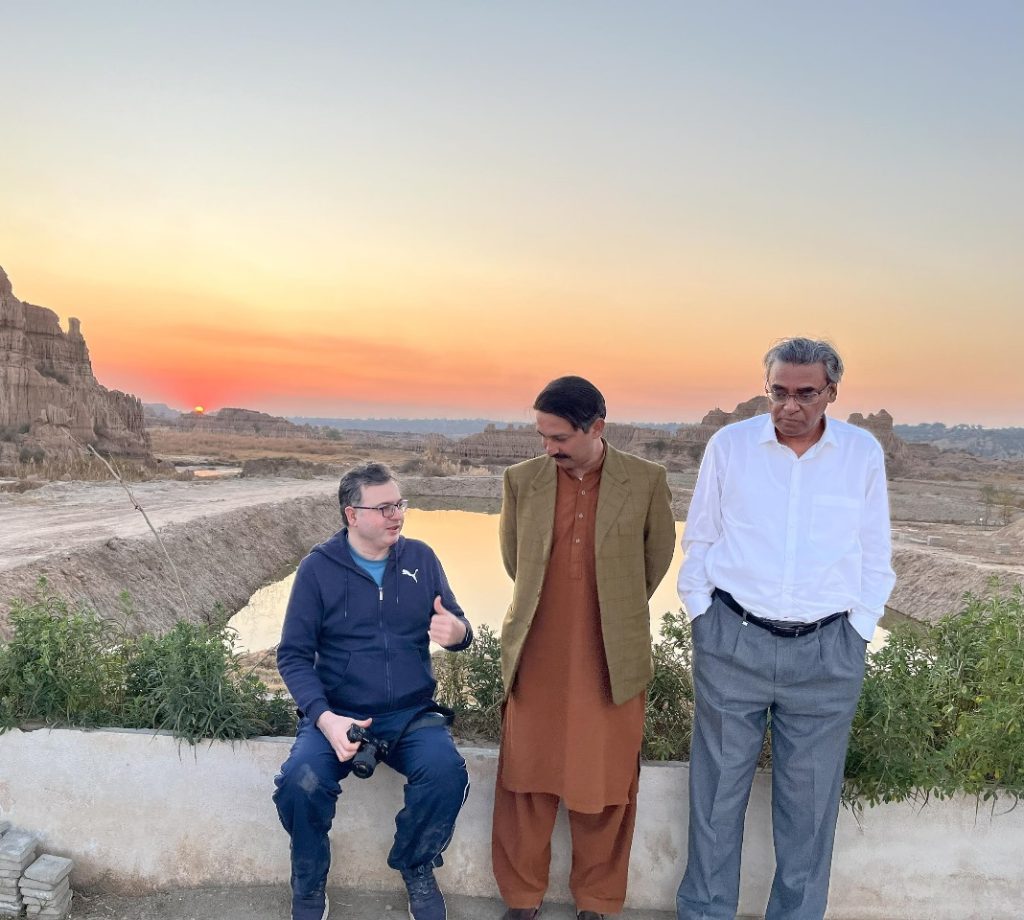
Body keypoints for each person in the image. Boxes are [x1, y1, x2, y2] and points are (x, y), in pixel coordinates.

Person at [675, 338, 896, 920]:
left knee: (810, 808)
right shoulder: (730, 446)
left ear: (832, 392)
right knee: (716, 799)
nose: (789, 405)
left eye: (805, 393)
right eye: (779, 391)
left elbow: (875, 550)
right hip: (733, 640)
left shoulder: (860, 453)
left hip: (827, 652)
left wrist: (859, 629)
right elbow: (701, 535)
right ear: (766, 386)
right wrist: (701, 614)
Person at [492, 375, 677, 920]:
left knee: (604, 783)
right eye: (542, 436)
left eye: (560, 437)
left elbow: (656, 559)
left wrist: (610, 607)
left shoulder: (645, 480)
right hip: (536, 650)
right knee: (526, 779)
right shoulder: (521, 480)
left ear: (596, 428)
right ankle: (522, 898)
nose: (548, 448)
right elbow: (514, 560)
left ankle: (596, 901)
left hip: (609, 655)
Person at [273, 461, 473, 920]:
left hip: (410, 714)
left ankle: (417, 865)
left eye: (399, 504)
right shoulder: (317, 569)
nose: (396, 515)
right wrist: (325, 719)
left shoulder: (421, 559)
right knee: (301, 782)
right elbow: (293, 656)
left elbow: (459, 625)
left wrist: (458, 632)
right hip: (338, 714)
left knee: (447, 774)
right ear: (352, 514)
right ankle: (308, 880)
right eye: (384, 508)